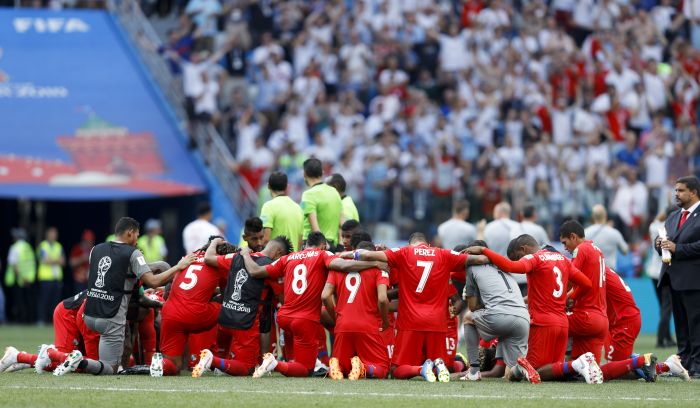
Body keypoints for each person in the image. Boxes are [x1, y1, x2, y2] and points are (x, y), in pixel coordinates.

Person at [53, 217, 195, 376]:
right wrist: (179, 267)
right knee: (109, 369)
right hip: (110, 319)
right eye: (137, 235)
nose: (137, 240)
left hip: (88, 314)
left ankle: (67, 357)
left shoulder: (96, 249)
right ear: (130, 232)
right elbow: (153, 281)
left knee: (99, 361)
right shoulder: (133, 253)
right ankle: (79, 361)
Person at [340, 232, 489, 382]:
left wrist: (345, 254)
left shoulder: (405, 252)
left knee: (396, 369)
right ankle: (438, 365)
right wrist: (482, 252)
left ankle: (422, 369)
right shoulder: (443, 254)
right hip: (437, 323)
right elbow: (479, 259)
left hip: (410, 322)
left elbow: (367, 255)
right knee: (443, 367)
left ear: (411, 244)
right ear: (428, 244)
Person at [241, 232, 382, 378]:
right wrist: (374, 263)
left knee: (297, 356)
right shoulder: (322, 254)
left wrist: (245, 254)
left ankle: (300, 361)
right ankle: (276, 363)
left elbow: (255, 271)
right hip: (304, 320)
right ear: (322, 246)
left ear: (307, 244)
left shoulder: (288, 258)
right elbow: (344, 266)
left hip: (284, 318)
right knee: (305, 369)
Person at [470, 235, 596, 383]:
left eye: (518, 257)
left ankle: (576, 364)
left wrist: (484, 250)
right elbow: (587, 283)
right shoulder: (561, 258)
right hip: (562, 323)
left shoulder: (534, 258)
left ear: (523, 249)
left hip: (542, 323)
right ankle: (575, 365)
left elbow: (510, 266)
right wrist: (570, 297)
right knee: (552, 373)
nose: (520, 260)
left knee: (532, 371)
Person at [192, 236, 292, 377]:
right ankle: (212, 360)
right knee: (246, 369)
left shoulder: (236, 257)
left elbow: (208, 258)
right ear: (279, 253)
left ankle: (221, 364)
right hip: (245, 323)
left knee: (233, 358)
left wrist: (214, 242)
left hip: (225, 317)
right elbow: (283, 299)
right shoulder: (271, 268)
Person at [150, 236, 236, 376]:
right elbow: (229, 294)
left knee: (173, 366)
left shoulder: (189, 257)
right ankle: (228, 360)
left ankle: (159, 364)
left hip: (171, 312)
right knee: (234, 306)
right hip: (196, 313)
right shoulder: (219, 261)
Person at [461, 240, 530, 381]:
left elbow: (473, 307)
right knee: (509, 375)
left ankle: (473, 372)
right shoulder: (503, 265)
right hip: (523, 318)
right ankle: (520, 369)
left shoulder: (472, 267)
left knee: (468, 317)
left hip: (500, 316)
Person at [322, 240, 391, 380]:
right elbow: (383, 298)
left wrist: (336, 318)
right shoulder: (379, 269)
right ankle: (363, 368)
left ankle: (336, 367)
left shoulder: (338, 268)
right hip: (368, 325)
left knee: (343, 367)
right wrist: (385, 320)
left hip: (343, 325)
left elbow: (325, 295)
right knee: (382, 369)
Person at [656, 176, 700, 378]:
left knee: (696, 324)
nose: (676, 194)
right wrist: (658, 244)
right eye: (675, 190)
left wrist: (678, 248)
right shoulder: (674, 216)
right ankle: (683, 362)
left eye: (681, 191)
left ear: (693, 192)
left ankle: (698, 365)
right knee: (681, 325)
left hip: (694, 279)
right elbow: (664, 238)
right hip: (673, 278)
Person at [559, 220, 609, 364]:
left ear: (573, 237)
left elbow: (570, 278)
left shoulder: (580, 249)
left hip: (586, 316)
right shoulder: (597, 250)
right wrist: (571, 296)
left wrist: (565, 298)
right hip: (601, 320)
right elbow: (587, 283)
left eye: (564, 242)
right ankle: (638, 363)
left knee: (549, 322)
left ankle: (530, 365)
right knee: (592, 369)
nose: (565, 248)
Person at [483, 202, 526, 294]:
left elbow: (482, 249)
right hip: (520, 274)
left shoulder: (488, 227)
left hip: (498, 275)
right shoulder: (519, 226)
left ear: (499, 212)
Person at [300, 158, 343, 248]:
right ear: (322, 173)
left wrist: (322, 244)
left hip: (315, 245)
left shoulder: (308, 194)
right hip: (332, 245)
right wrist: (340, 244)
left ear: (304, 174)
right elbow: (341, 222)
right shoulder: (334, 192)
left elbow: (313, 224)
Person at [648, 209, 675, 348]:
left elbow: (656, 219)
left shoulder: (654, 227)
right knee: (666, 308)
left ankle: (668, 338)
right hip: (664, 272)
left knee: (663, 307)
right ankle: (660, 339)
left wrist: (664, 211)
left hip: (653, 272)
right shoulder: (672, 228)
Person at [260, 172, 304, 251]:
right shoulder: (298, 208)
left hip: (275, 259)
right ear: (287, 187)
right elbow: (300, 241)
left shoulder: (268, 206)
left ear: (268, 186)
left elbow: (266, 238)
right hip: (293, 260)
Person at [4, 228, 35, 323]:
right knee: (27, 301)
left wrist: (21, 278)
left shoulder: (15, 247)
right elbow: (31, 264)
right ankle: (28, 320)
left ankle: (20, 320)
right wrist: (28, 278)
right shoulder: (29, 247)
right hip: (29, 279)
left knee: (18, 302)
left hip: (17, 279)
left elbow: (14, 265)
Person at [584, 205, 629, 270]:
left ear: (593, 216)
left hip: (592, 272)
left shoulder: (585, 233)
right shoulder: (614, 233)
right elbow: (625, 250)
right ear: (605, 215)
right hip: (609, 272)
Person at [36, 227, 65, 325]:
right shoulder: (43, 246)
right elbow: (44, 260)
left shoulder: (58, 246)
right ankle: (41, 319)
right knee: (44, 300)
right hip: (45, 278)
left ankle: (53, 321)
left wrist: (52, 260)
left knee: (55, 301)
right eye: (52, 233)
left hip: (56, 278)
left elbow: (63, 261)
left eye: (55, 233)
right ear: (47, 234)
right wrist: (56, 260)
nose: (54, 235)